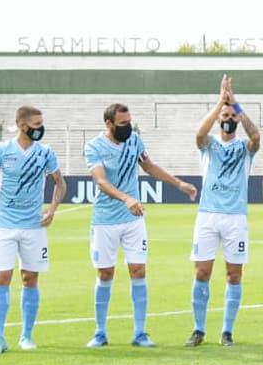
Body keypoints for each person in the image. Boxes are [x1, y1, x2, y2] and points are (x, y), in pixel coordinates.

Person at [84, 103, 198, 348]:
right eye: (123, 123)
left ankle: (140, 333)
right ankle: (100, 332)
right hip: (105, 220)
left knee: (138, 271)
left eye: (130, 122)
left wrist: (179, 184)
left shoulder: (135, 141)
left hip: (134, 221)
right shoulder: (94, 146)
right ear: (109, 124)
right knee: (105, 273)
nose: (128, 127)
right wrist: (126, 198)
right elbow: (101, 181)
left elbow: (149, 166)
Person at [0, 105, 66, 355]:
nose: (41, 129)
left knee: (30, 278)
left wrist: (52, 210)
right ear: (22, 125)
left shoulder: (45, 153)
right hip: (3, 225)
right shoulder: (2, 150)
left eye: (41, 123)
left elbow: (59, 183)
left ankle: (26, 336)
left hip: (33, 227)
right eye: (36, 125)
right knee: (2, 276)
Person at [185, 75, 261, 347]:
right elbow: (198, 134)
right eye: (224, 115)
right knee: (202, 272)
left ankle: (227, 330)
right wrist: (220, 102)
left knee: (234, 274)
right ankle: (198, 329)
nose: (228, 118)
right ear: (218, 118)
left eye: (232, 115)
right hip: (208, 215)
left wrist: (237, 104)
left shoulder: (244, 148)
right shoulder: (210, 146)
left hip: (235, 217)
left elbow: (256, 136)